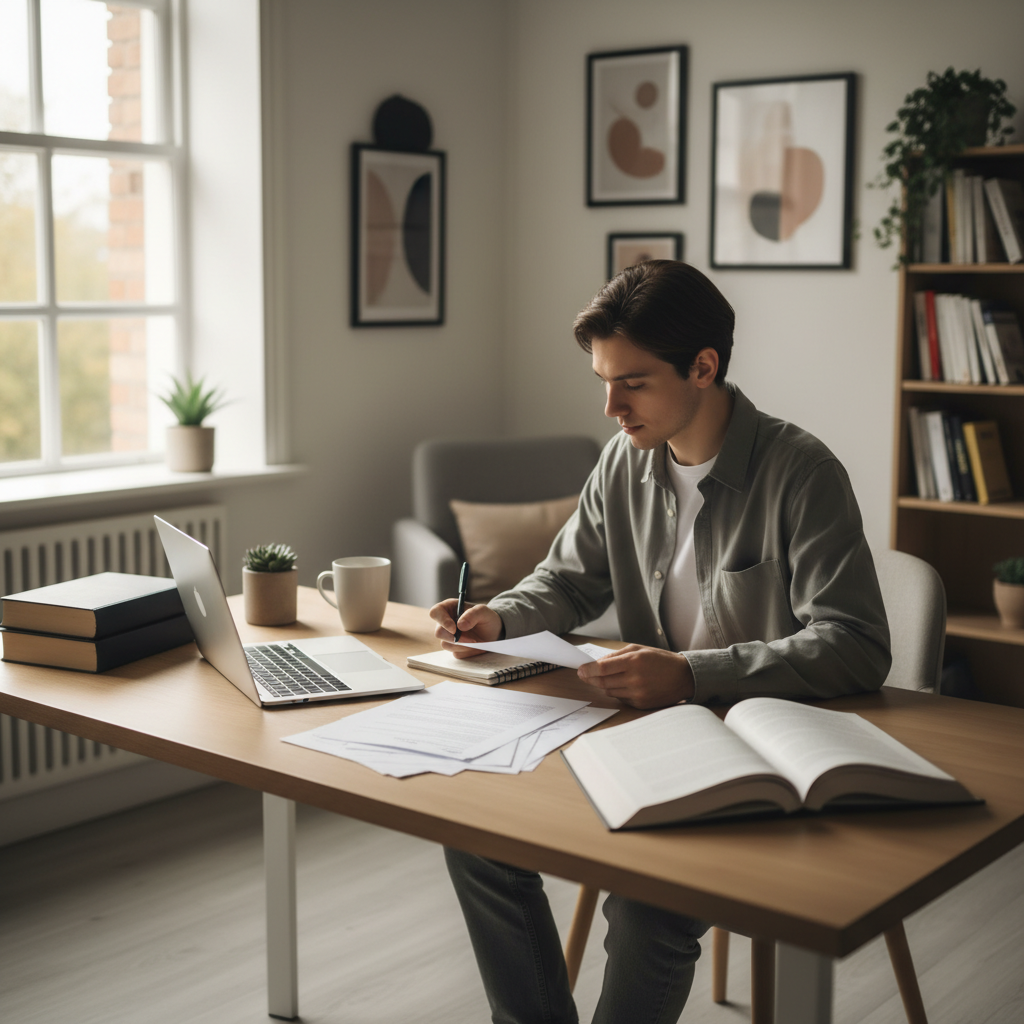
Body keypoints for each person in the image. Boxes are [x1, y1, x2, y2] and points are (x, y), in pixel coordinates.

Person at [430, 260, 891, 1024]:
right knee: (476, 834)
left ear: (703, 367)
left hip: (764, 751)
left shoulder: (801, 472)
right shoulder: (623, 460)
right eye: (603, 381)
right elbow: (569, 581)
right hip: (644, 733)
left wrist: (688, 674)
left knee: (648, 907)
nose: (610, 407)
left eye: (632, 383)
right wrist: (500, 616)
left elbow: (856, 644)